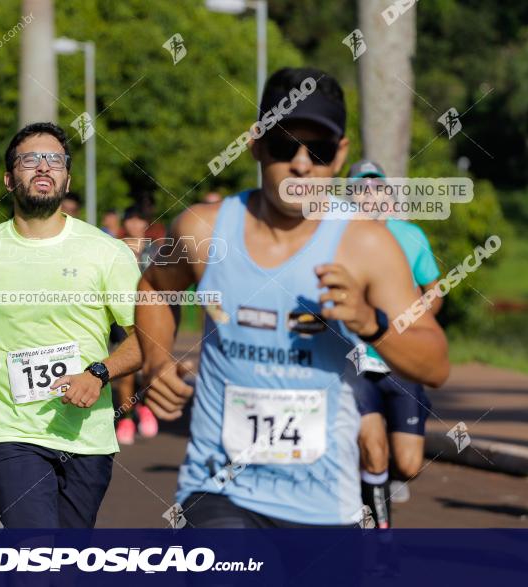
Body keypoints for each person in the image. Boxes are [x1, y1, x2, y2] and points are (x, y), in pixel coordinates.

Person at [136, 67, 450, 528]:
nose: (301, 164)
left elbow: (435, 364)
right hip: (218, 488)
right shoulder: (202, 229)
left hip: (325, 501)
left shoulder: (365, 245)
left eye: (319, 150)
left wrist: (370, 322)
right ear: (256, 143)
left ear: (340, 155)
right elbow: (153, 288)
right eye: (285, 145)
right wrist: (155, 362)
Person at [0, 122, 142, 528]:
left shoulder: (106, 253)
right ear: (8, 178)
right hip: (8, 431)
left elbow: (148, 341)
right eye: (29, 159)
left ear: (67, 178)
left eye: (54, 159)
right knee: (36, 550)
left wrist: (99, 373)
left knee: (65, 566)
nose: (43, 167)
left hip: (86, 437)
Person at [346, 160, 442, 528]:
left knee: (409, 464)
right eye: (362, 189)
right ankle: (378, 539)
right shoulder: (335, 238)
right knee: (373, 451)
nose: (371, 195)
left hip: (401, 362)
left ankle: (372, 484)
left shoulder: (410, 235)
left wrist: (419, 317)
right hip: (356, 362)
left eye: (378, 188)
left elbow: (434, 290)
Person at [113, 205, 158, 445]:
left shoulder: (156, 250)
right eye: (130, 219)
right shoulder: (115, 248)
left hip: (151, 314)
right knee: (127, 370)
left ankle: (146, 408)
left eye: (140, 219)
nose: (135, 224)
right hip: (124, 314)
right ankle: (126, 417)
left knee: (151, 367)